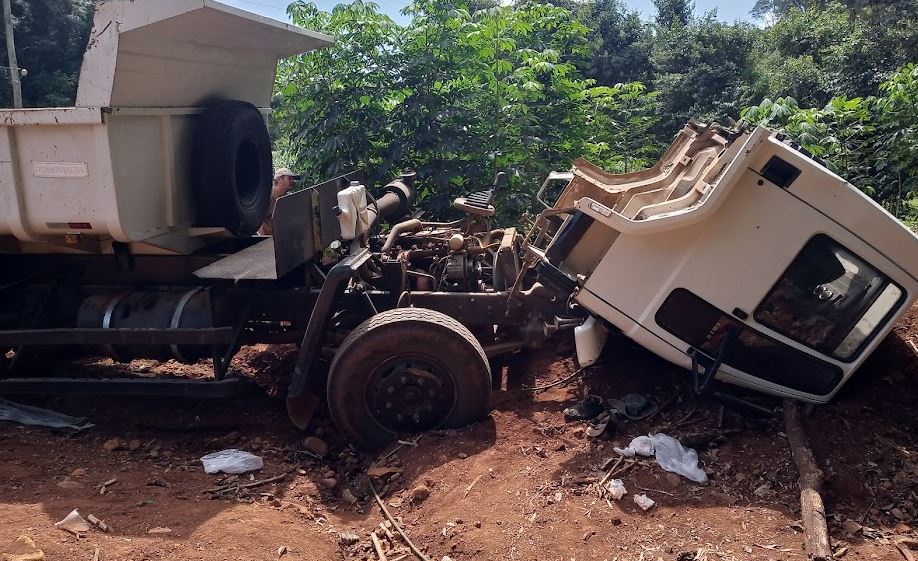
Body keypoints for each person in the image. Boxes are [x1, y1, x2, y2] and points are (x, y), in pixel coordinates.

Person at [259, 168, 301, 236]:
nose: (293, 181)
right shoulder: (267, 196)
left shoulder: (288, 198)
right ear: (279, 179)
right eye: (289, 178)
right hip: (267, 239)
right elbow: (258, 220)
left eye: (293, 179)